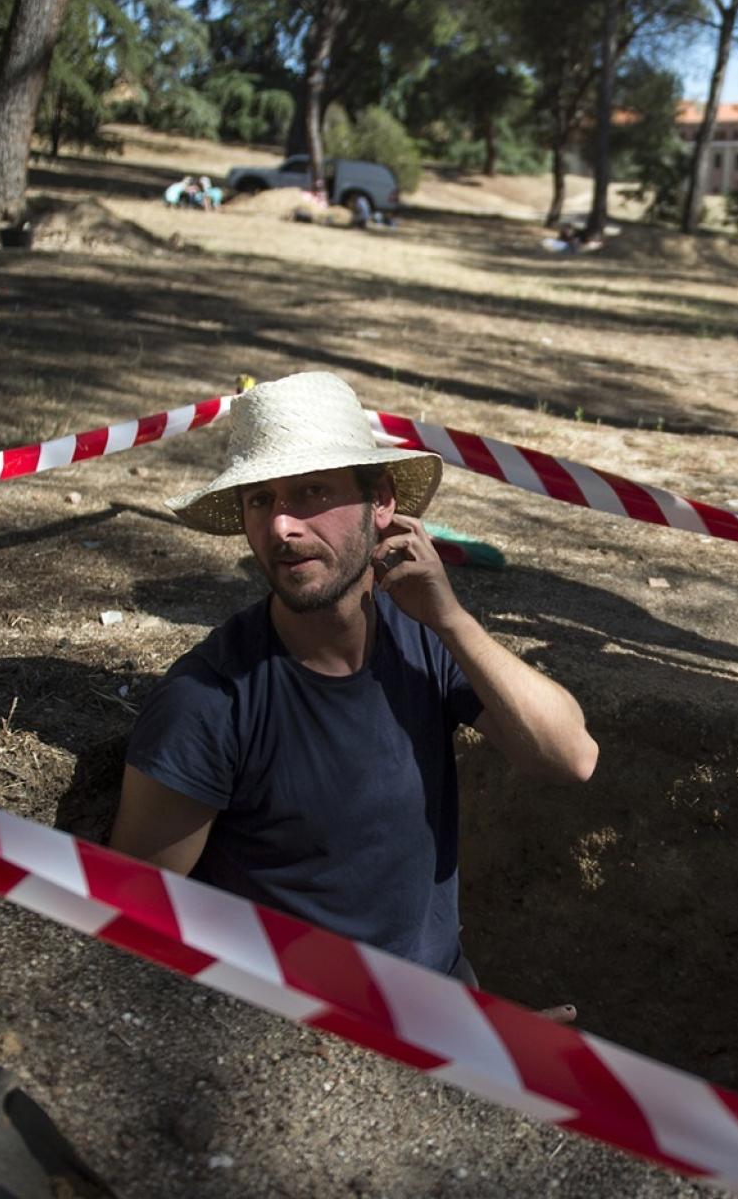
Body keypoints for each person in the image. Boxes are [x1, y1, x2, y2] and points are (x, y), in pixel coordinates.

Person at [109, 371, 598, 984]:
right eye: (260, 500)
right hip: (309, 1038)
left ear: (383, 502)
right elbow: (129, 919)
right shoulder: (206, 700)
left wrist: (452, 620)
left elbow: (571, 757)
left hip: (446, 999)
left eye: (310, 492)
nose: (281, 528)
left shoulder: (423, 635)